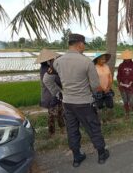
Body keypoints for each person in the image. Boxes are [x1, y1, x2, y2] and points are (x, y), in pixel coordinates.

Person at [53, 33, 109, 167]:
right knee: (93, 127)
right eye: (84, 44)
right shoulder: (86, 62)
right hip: (84, 103)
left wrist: (59, 93)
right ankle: (101, 154)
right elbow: (95, 86)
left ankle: (77, 157)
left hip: (67, 103)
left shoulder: (57, 61)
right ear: (79, 44)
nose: (84, 47)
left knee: (72, 130)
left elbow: (48, 79)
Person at [35, 49, 65, 137]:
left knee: (60, 112)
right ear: (47, 60)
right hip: (50, 95)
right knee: (53, 114)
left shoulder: (46, 68)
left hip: (55, 94)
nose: (53, 60)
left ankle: (61, 129)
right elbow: (56, 80)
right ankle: (52, 133)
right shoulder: (46, 69)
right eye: (52, 59)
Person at [92, 53, 114, 123]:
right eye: (102, 59)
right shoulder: (94, 68)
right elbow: (94, 80)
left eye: (104, 59)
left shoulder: (106, 66)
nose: (103, 60)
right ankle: (100, 120)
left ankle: (108, 119)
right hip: (98, 90)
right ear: (97, 60)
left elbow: (110, 77)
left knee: (110, 105)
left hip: (108, 89)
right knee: (99, 106)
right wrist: (101, 88)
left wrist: (108, 87)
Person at [117, 50, 133, 118]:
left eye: (128, 58)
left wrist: (132, 82)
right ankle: (127, 114)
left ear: (130, 58)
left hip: (131, 87)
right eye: (125, 58)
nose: (126, 59)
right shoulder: (121, 65)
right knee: (125, 101)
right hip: (123, 87)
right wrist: (120, 82)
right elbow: (118, 76)